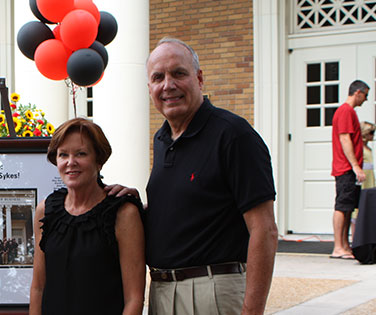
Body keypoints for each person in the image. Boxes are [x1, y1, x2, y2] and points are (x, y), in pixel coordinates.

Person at [109, 37, 278, 314]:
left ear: (199, 79)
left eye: (179, 73)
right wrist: (134, 209)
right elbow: (190, 213)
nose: (168, 85)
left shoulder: (234, 135)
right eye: (158, 77)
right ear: (149, 87)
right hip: (163, 292)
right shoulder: (162, 139)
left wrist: (252, 311)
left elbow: (265, 230)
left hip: (213, 292)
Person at [29, 118, 146, 315]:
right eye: (63, 154)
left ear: (98, 161)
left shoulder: (123, 213)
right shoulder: (45, 210)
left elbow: (134, 298)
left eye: (81, 154)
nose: (70, 162)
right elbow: (38, 287)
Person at [330, 80, 369, 260]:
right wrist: (355, 166)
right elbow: (345, 139)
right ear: (358, 92)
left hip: (348, 169)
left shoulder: (349, 112)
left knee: (348, 208)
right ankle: (338, 247)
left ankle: (345, 245)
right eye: (365, 95)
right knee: (342, 206)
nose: (366, 100)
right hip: (345, 168)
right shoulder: (345, 111)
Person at [361, 121, 376, 189]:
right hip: (363, 176)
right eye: (371, 133)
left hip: (369, 175)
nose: (373, 135)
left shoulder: (368, 148)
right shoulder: (359, 148)